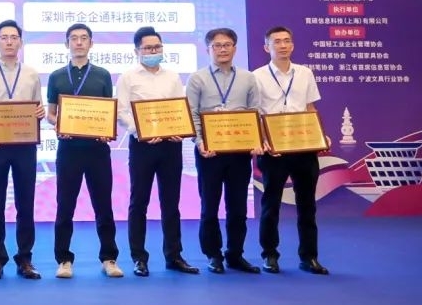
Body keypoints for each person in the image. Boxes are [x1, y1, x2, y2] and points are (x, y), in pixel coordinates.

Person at [117, 25, 199, 277]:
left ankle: (174, 256)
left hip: (170, 146)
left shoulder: (172, 77)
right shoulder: (128, 77)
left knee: (171, 202)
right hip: (142, 145)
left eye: (157, 47)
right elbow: (121, 111)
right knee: (138, 202)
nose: (153, 52)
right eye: (148, 48)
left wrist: (179, 129)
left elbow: (178, 109)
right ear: (137, 51)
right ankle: (139, 258)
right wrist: (139, 131)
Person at [46, 23, 124, 280]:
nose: (79, 42)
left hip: (97, 150)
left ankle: (109, 258)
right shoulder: (56, 76)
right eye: (74, 38)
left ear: (91, 43)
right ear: (66, 44)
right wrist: (59, 125)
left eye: (83, 38)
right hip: (68, 150)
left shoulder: (102, 75)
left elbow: (107, 111)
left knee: (103, 206)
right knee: (64, 206)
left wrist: (106, 129)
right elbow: (50, 113)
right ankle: (64, 259)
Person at [252, 26, 330, 275]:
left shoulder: (305, 73)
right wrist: (263, 141)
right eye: (277, 41)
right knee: (271, 204)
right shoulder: (257, 76)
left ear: (293, 45)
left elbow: (310, 108)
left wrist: (319, 136)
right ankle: (269, 255)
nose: (283, 45)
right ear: (267, 47)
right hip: (273, 150)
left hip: (303, 147)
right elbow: (254, 114)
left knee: (307, 205)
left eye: (287, 41)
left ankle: (309, 257)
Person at [185, 28, 263, 274]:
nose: (222, 49)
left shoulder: (248, 78)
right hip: (209, 152)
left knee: (238, 207)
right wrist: (200, 142)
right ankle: (213, 255)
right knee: (209, 206)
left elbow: (255, 111)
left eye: (227, 45)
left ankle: (235, 254)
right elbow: (192, 113)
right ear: (208, 49)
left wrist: (255, 140)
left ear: (235, 48)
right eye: (217, 45)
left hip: (239, 152)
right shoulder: (197, 78)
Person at [0, 20, 45, 280]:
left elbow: (37, 107)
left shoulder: (31, 73)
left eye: (14, 37)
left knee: (26, 203)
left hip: (25, 147)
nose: (9, 42)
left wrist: (40, 112)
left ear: (21, 43)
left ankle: (25, 258)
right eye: (4, 37)